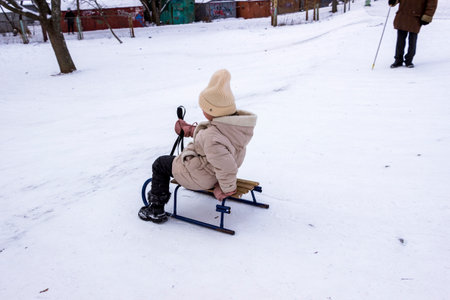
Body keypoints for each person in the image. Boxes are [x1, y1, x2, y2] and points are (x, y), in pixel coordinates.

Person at [138, 69, 257, 223]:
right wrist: (190, 130)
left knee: (161, 164)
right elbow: (215, 137)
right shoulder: (234, 126)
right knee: (176, 159)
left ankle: (155, 210)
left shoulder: (212, 137)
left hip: (201, 176)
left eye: (205, 108)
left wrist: (226, 189)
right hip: (211, 170)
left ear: (213, 111)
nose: (202, 110)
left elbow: (226, 165)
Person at [389, 0, 438, 68]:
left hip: (416, 16)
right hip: (403, 15)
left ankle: (409, 60)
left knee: (412, 40)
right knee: (400, 40)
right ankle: (398, 60)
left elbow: (432, 4)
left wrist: (427, 15)